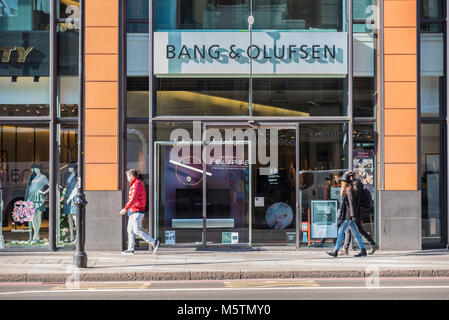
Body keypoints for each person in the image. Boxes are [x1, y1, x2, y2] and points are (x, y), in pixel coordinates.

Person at [327, 171, 367, 258]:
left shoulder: (349, 190)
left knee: (341, 232)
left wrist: (352, 216)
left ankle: (336, 251)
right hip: (349, 216)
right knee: (355, 233)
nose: (342, 182)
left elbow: (352, 204)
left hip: (348, 216)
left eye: (343, 181)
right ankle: (363, 250)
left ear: (345, 182)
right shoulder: (349, 190)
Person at [120, 169, 159, 255]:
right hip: (133, 210)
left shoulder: (137, 184)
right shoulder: (135, 184)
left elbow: (133, 199)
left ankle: (154, 242)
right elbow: (132, 199)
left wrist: (125, 208)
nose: (127, 178)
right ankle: (130, 249)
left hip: (137, 210)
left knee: (136, 230)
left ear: (132, 176)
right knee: (130, 230)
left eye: (127, 176)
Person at [340, 171, 379, 256]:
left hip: (356, 211)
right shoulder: (355, 184)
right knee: (353, 229)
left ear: (351, 177)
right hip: (355, 211)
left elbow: (355, 200)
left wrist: (353, 214)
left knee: (355, 229)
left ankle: (348, 249)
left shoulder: (356, 184)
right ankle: (347, 249)